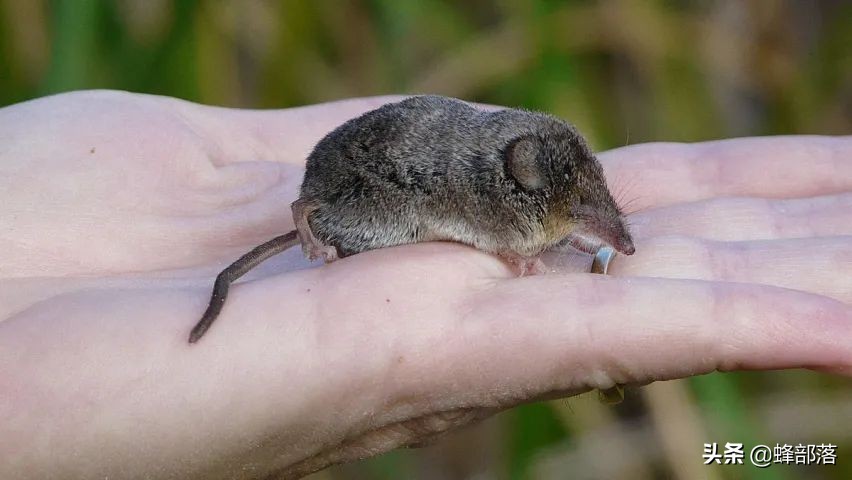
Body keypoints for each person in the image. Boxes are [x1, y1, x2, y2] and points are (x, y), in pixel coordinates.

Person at [0, 90, 849, 479]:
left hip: (369, 159)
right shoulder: (496, 199)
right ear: (521, 190)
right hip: (362, 186)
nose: (607, 230)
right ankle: (313, 224)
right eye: (584, 212)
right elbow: (503, 229)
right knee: (358, 224)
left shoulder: (524, 163)